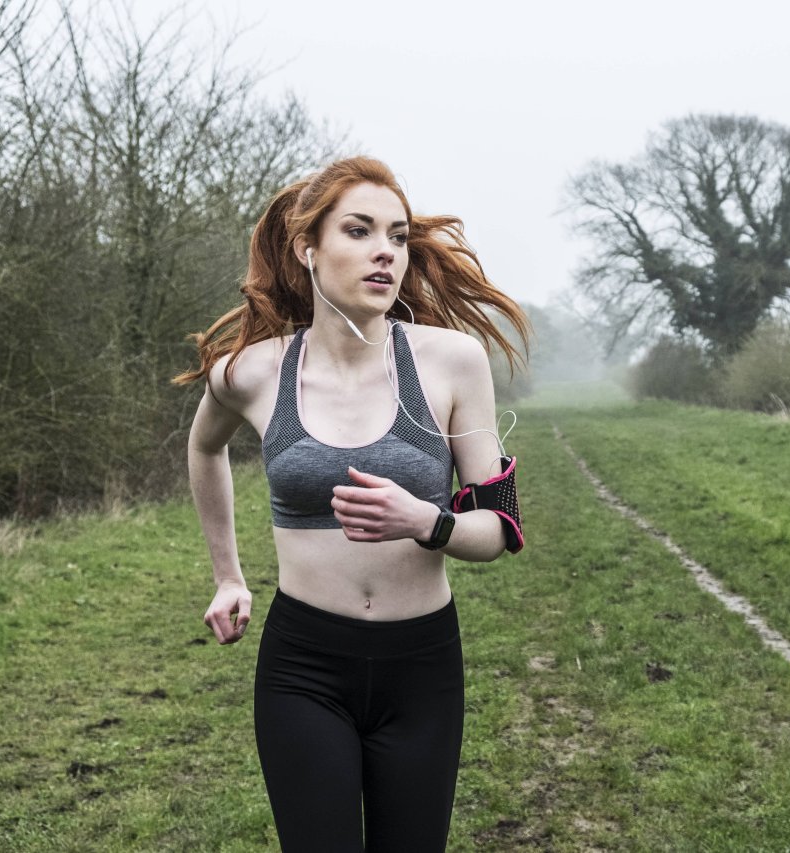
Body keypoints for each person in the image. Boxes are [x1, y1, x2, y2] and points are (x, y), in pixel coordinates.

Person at [174, 156, 528, 851]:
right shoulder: (251, 371)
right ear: (308, 249)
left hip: (422, 668)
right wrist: (227, 574)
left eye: (396, 236)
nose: (384, 253)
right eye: (360, 231)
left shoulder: (452, 362)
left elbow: (502, 528)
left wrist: (427, 519)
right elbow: (203, 449)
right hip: (305, 664)